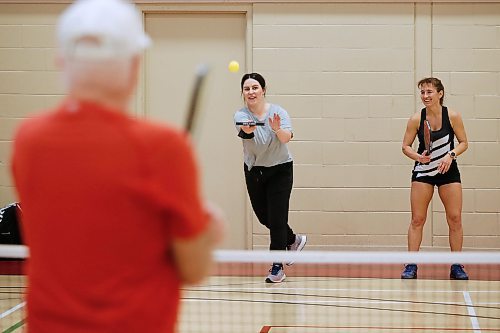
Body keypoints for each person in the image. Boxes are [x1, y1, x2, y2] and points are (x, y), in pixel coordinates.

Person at [11, 1, 224, 332]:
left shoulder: (28, 139)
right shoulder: (164, 148)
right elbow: (193, 269)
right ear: (135, 64)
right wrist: (208, 229)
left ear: (60, 60)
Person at [234, 73, 306, 283]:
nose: (251, 92)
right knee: (264, 217)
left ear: (263, 90)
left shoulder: (279, 112)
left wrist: (277, 129)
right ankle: (293, 240)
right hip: (255, 171)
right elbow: (248, 135)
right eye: (247, 89)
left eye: (255, 87)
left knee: (276, 219)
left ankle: (277, 266)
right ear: (243, 93)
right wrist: (247, 130)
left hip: (280, 170)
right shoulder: (240, 115)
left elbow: (286, 138)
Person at [401, 77, 469, 280]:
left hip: (448, 171)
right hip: (423, 172)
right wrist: (418, 157)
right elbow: (405, 146)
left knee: (455, 219)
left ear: (440, 94)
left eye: (429, 92)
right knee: (417, 219)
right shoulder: (416, 119)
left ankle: (457, 265)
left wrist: (451, 155)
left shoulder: (453, 116)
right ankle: (411, 264)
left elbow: (464, 142)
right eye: (422, 92)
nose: (425, 96)